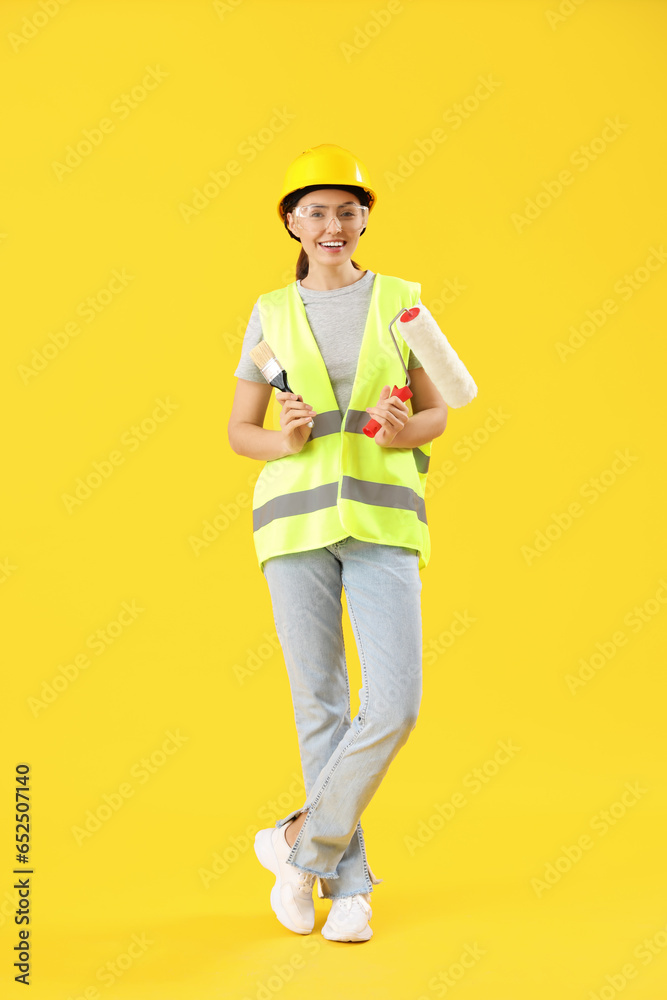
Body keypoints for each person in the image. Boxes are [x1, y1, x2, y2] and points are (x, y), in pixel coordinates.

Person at [227, 144, 448, 942]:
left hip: (384, 520)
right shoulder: (269, 312)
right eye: (315, 211)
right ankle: (347, 890)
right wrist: (281, 441)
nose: (332, 225)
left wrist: (403, 430)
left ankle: (296, 848)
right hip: (292, 523)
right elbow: (238, 432)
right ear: (291, 221)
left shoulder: (402, 302)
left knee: (393, 704)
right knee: (317, 702)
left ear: (364, 221)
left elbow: (438, 413)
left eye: (347, 211)